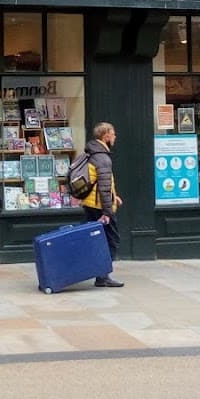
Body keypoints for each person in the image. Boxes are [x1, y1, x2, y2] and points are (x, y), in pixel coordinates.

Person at [80, 122, 124, 288]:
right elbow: (104, 187)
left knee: (97, 239)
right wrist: (107, 212)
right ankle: (103, 276)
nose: (115, 137)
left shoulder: (92, 152)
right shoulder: (102, 157)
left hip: (91, 203)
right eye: (113, 134)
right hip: (100, 207)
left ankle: (101, 275)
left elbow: (100, 183)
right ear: (105, 136)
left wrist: (115, 196)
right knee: (111, 240)